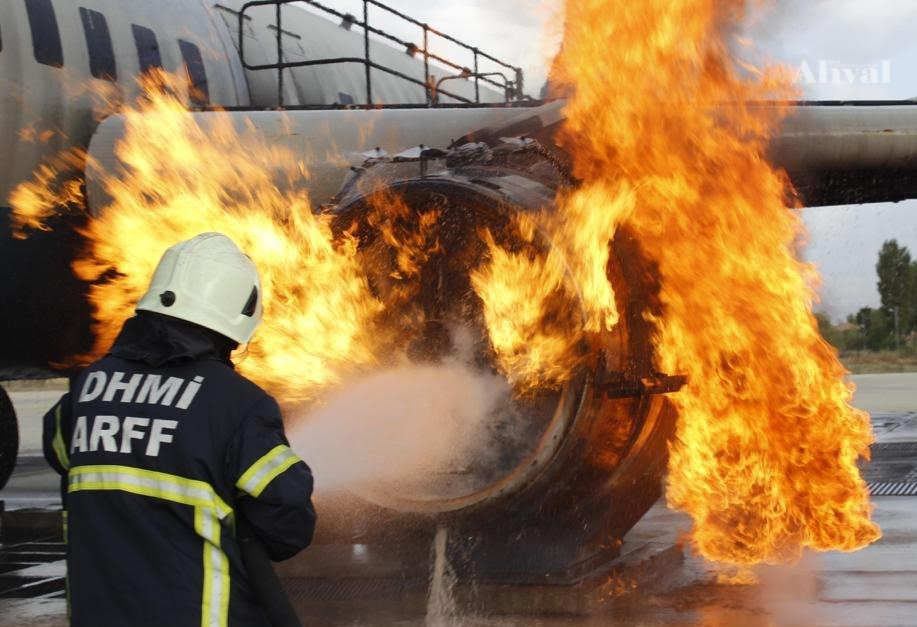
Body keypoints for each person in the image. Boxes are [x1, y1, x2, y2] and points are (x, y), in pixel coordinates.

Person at [42, 232, 316, 627]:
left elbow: (59, 452)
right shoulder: (237, 404)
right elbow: (288, 526)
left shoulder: (88, 388)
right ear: (236, 317)